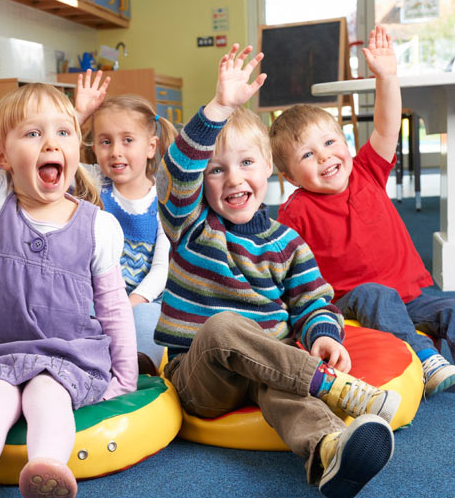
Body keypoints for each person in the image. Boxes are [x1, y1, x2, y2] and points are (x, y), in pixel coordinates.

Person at [0, 0, 137, 497]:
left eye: (63, 133)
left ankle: (44, 470)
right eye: (33, 135)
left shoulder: (97, 224)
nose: (51, 143)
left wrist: (123, 376)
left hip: (63, 355)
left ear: (76, 149)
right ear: (0, 155)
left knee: (47, 395)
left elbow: (112, 306)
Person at [156, 43, 399, 498]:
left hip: (269, 365)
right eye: (216, 171)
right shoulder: (190, 227)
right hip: (202, 377)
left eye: (247, 163)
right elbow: (178, 172)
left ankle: (328, 451)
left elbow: (311, 302)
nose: (233, 179)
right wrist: (219, 108)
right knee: (226, 325)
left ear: (269, 168)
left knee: (283, 389)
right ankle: (336, 388)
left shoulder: (288, 242)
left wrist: (324, 335)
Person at [271, 26, 455, 398]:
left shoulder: (366, 170)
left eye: (329, 142)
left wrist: (387, 76)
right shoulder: (295, 210)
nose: (324, 156)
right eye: (308, 155)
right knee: (376, 294)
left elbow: (387, 128)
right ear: (289, 176)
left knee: (452, 306)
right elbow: (282, 268)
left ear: (345, 142)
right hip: (351, 301)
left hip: (415, 292)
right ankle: (426, 358)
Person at [73, 70, 178, 372]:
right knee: (77, 310)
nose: (116, 151)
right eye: (105, 142)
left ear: (150, 147)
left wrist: (131, 303)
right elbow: (58, 150)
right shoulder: (92, 183)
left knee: (149, 321)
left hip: (142, 299)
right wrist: (79, 114)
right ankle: (86, 360)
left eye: (128, 140)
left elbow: (160, 269)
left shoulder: (163, 198)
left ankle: (138, 367)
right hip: (96, 294)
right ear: (94, 147)